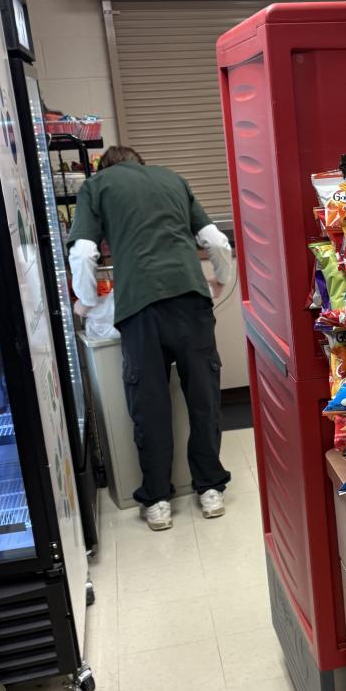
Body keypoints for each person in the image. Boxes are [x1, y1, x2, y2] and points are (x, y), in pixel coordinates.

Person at [69, 146, 234, 530]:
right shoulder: (172, 179)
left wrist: (86, 301)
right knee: (203, 398)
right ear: (140, 165)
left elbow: (84, 253)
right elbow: (216, 241)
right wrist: (220, 280)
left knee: (150, 404)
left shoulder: (96, 185)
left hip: (140, 309)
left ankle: (158, 499)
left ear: (105, 168)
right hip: (190, 301)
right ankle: (210, 489)